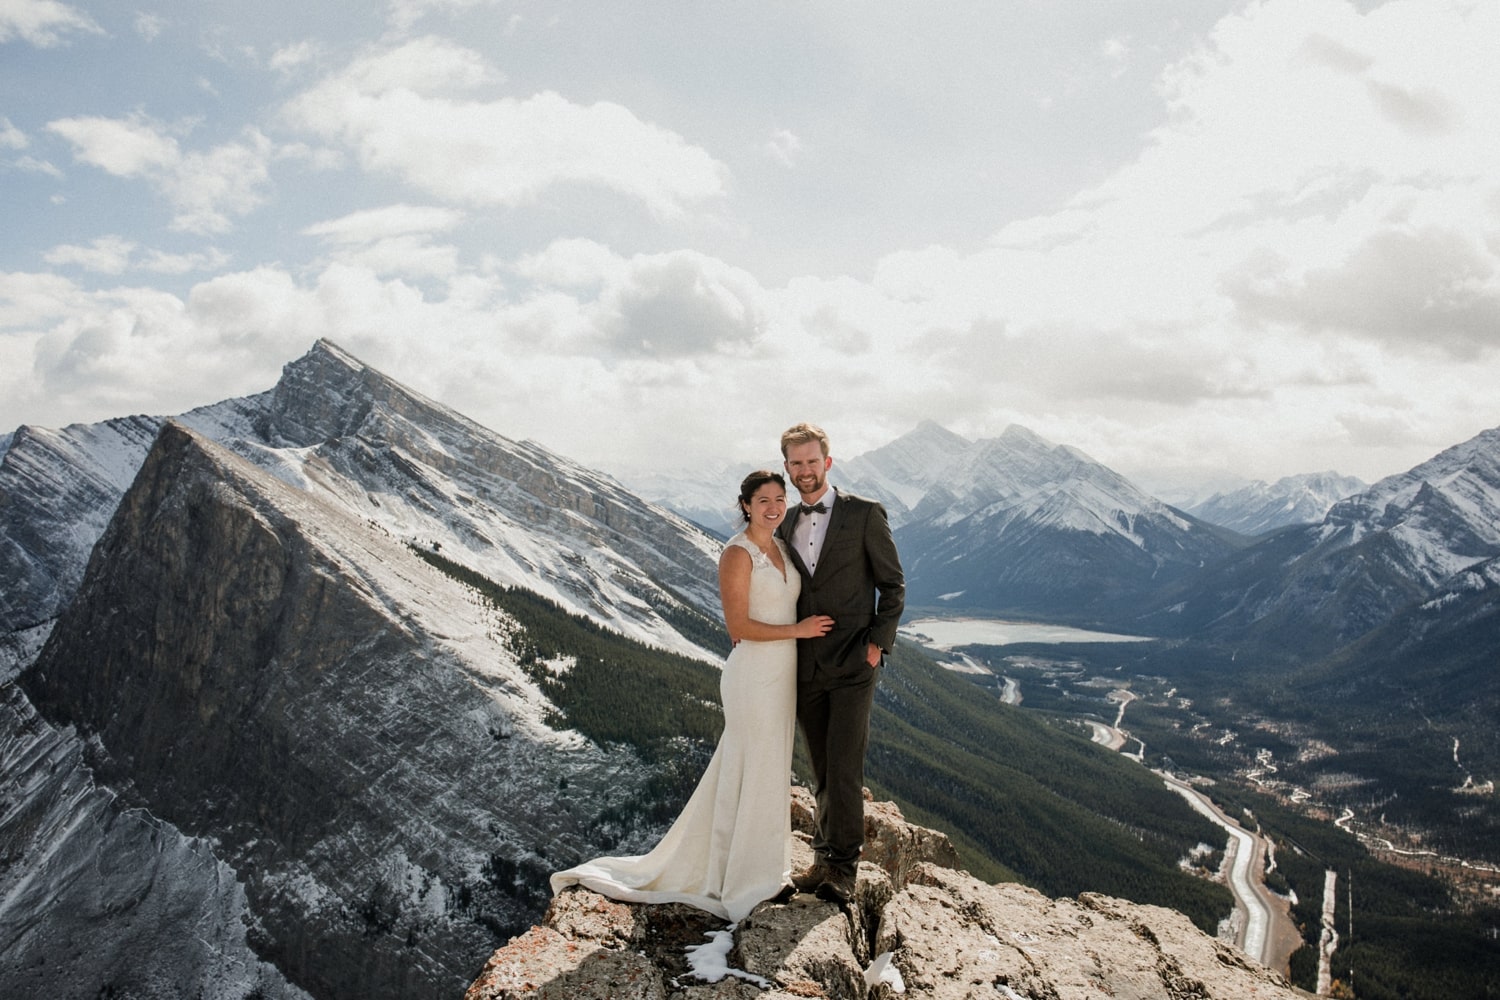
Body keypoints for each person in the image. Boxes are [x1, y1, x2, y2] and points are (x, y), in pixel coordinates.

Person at [550, 470, 834, 922]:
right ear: (746, 505)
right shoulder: (737, 553)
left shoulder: (780, 546)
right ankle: (744, 881)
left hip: (783, 674)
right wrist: (797, 631)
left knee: (768, 765)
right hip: (753, 675)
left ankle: (759, 867)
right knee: (753, 762)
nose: (774, 507)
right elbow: (738, 627)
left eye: (780, 499)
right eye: (763, 500)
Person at [776, 422, 905, 904]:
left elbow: (893, 586)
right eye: (796, 463)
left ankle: (844, 868)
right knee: (822, 767)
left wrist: (877, 645)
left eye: (812, 461)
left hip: (853, 662)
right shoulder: (785, 522)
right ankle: (822, 857)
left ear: (827, 462)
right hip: (805, 665)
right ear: (787, 468)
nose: (805, 471)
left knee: (846, 765)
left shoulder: (865, 514)